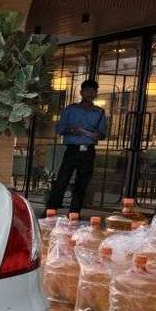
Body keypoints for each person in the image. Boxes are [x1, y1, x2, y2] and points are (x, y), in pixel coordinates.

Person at [47, 79, 108, 214]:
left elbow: (103, 133)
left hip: (88, 151)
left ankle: (74, 213)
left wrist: (97, 135)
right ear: (81, 92)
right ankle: (50, 211)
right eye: (87, 90)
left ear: (96, 93)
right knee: (62, 180)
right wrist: (72, 130)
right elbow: (60, 129)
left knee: (82, 183)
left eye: (93, 91)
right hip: (72, 149)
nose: (90, 93)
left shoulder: (99, 112)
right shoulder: (70, 109)